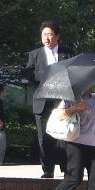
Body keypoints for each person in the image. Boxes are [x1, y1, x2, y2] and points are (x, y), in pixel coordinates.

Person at [24, 22, 74, 178]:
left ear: (57, 36)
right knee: (44, 137)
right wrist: (47, 73)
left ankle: (66, 169)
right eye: (44, 35)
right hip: (42, 100)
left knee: (64, 136)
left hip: (62, 100)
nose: (46, 38)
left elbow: (74, 73)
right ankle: (47, 169)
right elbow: (28, 74)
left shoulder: (68, 53)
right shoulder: (35, 54)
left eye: (50, 34)